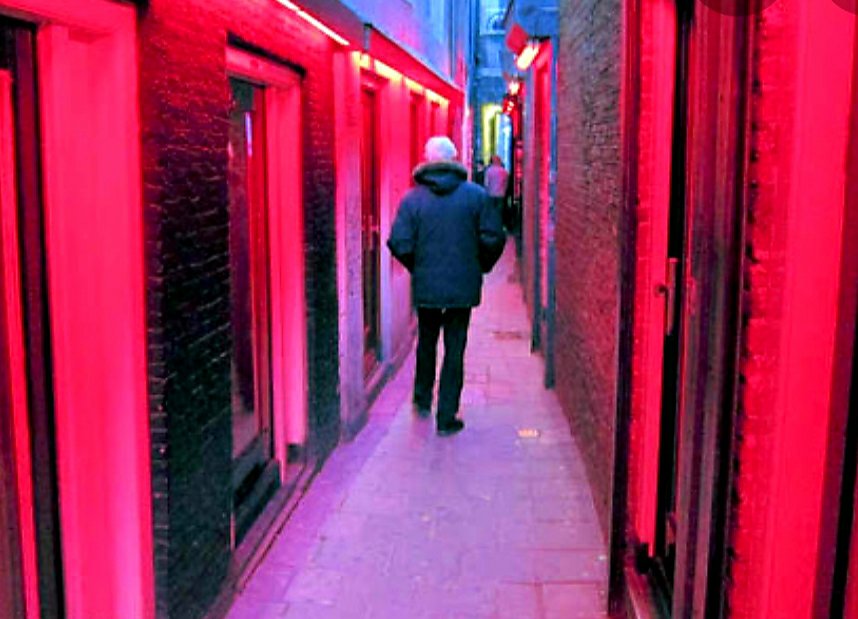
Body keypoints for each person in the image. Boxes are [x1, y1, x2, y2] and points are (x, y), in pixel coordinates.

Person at [387, 136, 506, 436]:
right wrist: (478, 265)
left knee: (426, 341)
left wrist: (419, 266)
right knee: (455, 348)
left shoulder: (413, 200)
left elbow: (399, 241)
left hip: (427, 284)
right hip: (462, 286)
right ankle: (447, 415)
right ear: (454, 158)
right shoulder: (476, 196)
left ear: (427, 160)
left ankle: (422, 398)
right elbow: (494, 237)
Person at [483, 155, 509, 221]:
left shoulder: (488, 171)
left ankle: (492, 223)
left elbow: (486, 184)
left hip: (490, 194)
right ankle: (499, 223)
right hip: (501, 195)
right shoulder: (504, 172)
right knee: (499, 212)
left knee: (491, 212)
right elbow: (506, 184)